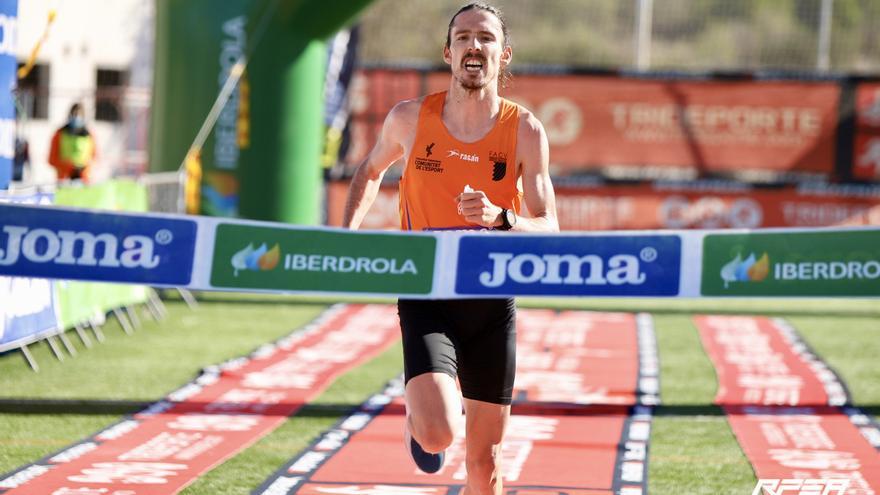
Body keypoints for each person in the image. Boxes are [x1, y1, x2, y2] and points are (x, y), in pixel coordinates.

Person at [342, 3, 558, 493]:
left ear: (504, 55)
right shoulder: (410, 118)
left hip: (491, 300)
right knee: (440, 434)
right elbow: (370, 171)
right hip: (427, 292)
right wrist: (347, 239)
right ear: (448, 52)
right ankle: (422, 421)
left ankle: (427, 417)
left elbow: (550, 228)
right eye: (463, 38)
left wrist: (501, 218)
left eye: (484, 38)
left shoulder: (525, 130)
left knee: (486, 465)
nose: (473, 46)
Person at [48, 103, 97, 182]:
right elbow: (51, 159)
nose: (77, 117)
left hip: (84, 180)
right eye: (74, 114)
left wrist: (84, 168)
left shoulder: (89, 135)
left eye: (79, 115)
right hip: (64, 179)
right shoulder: (59, 134)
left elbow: (95, 158)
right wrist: (69, 167)